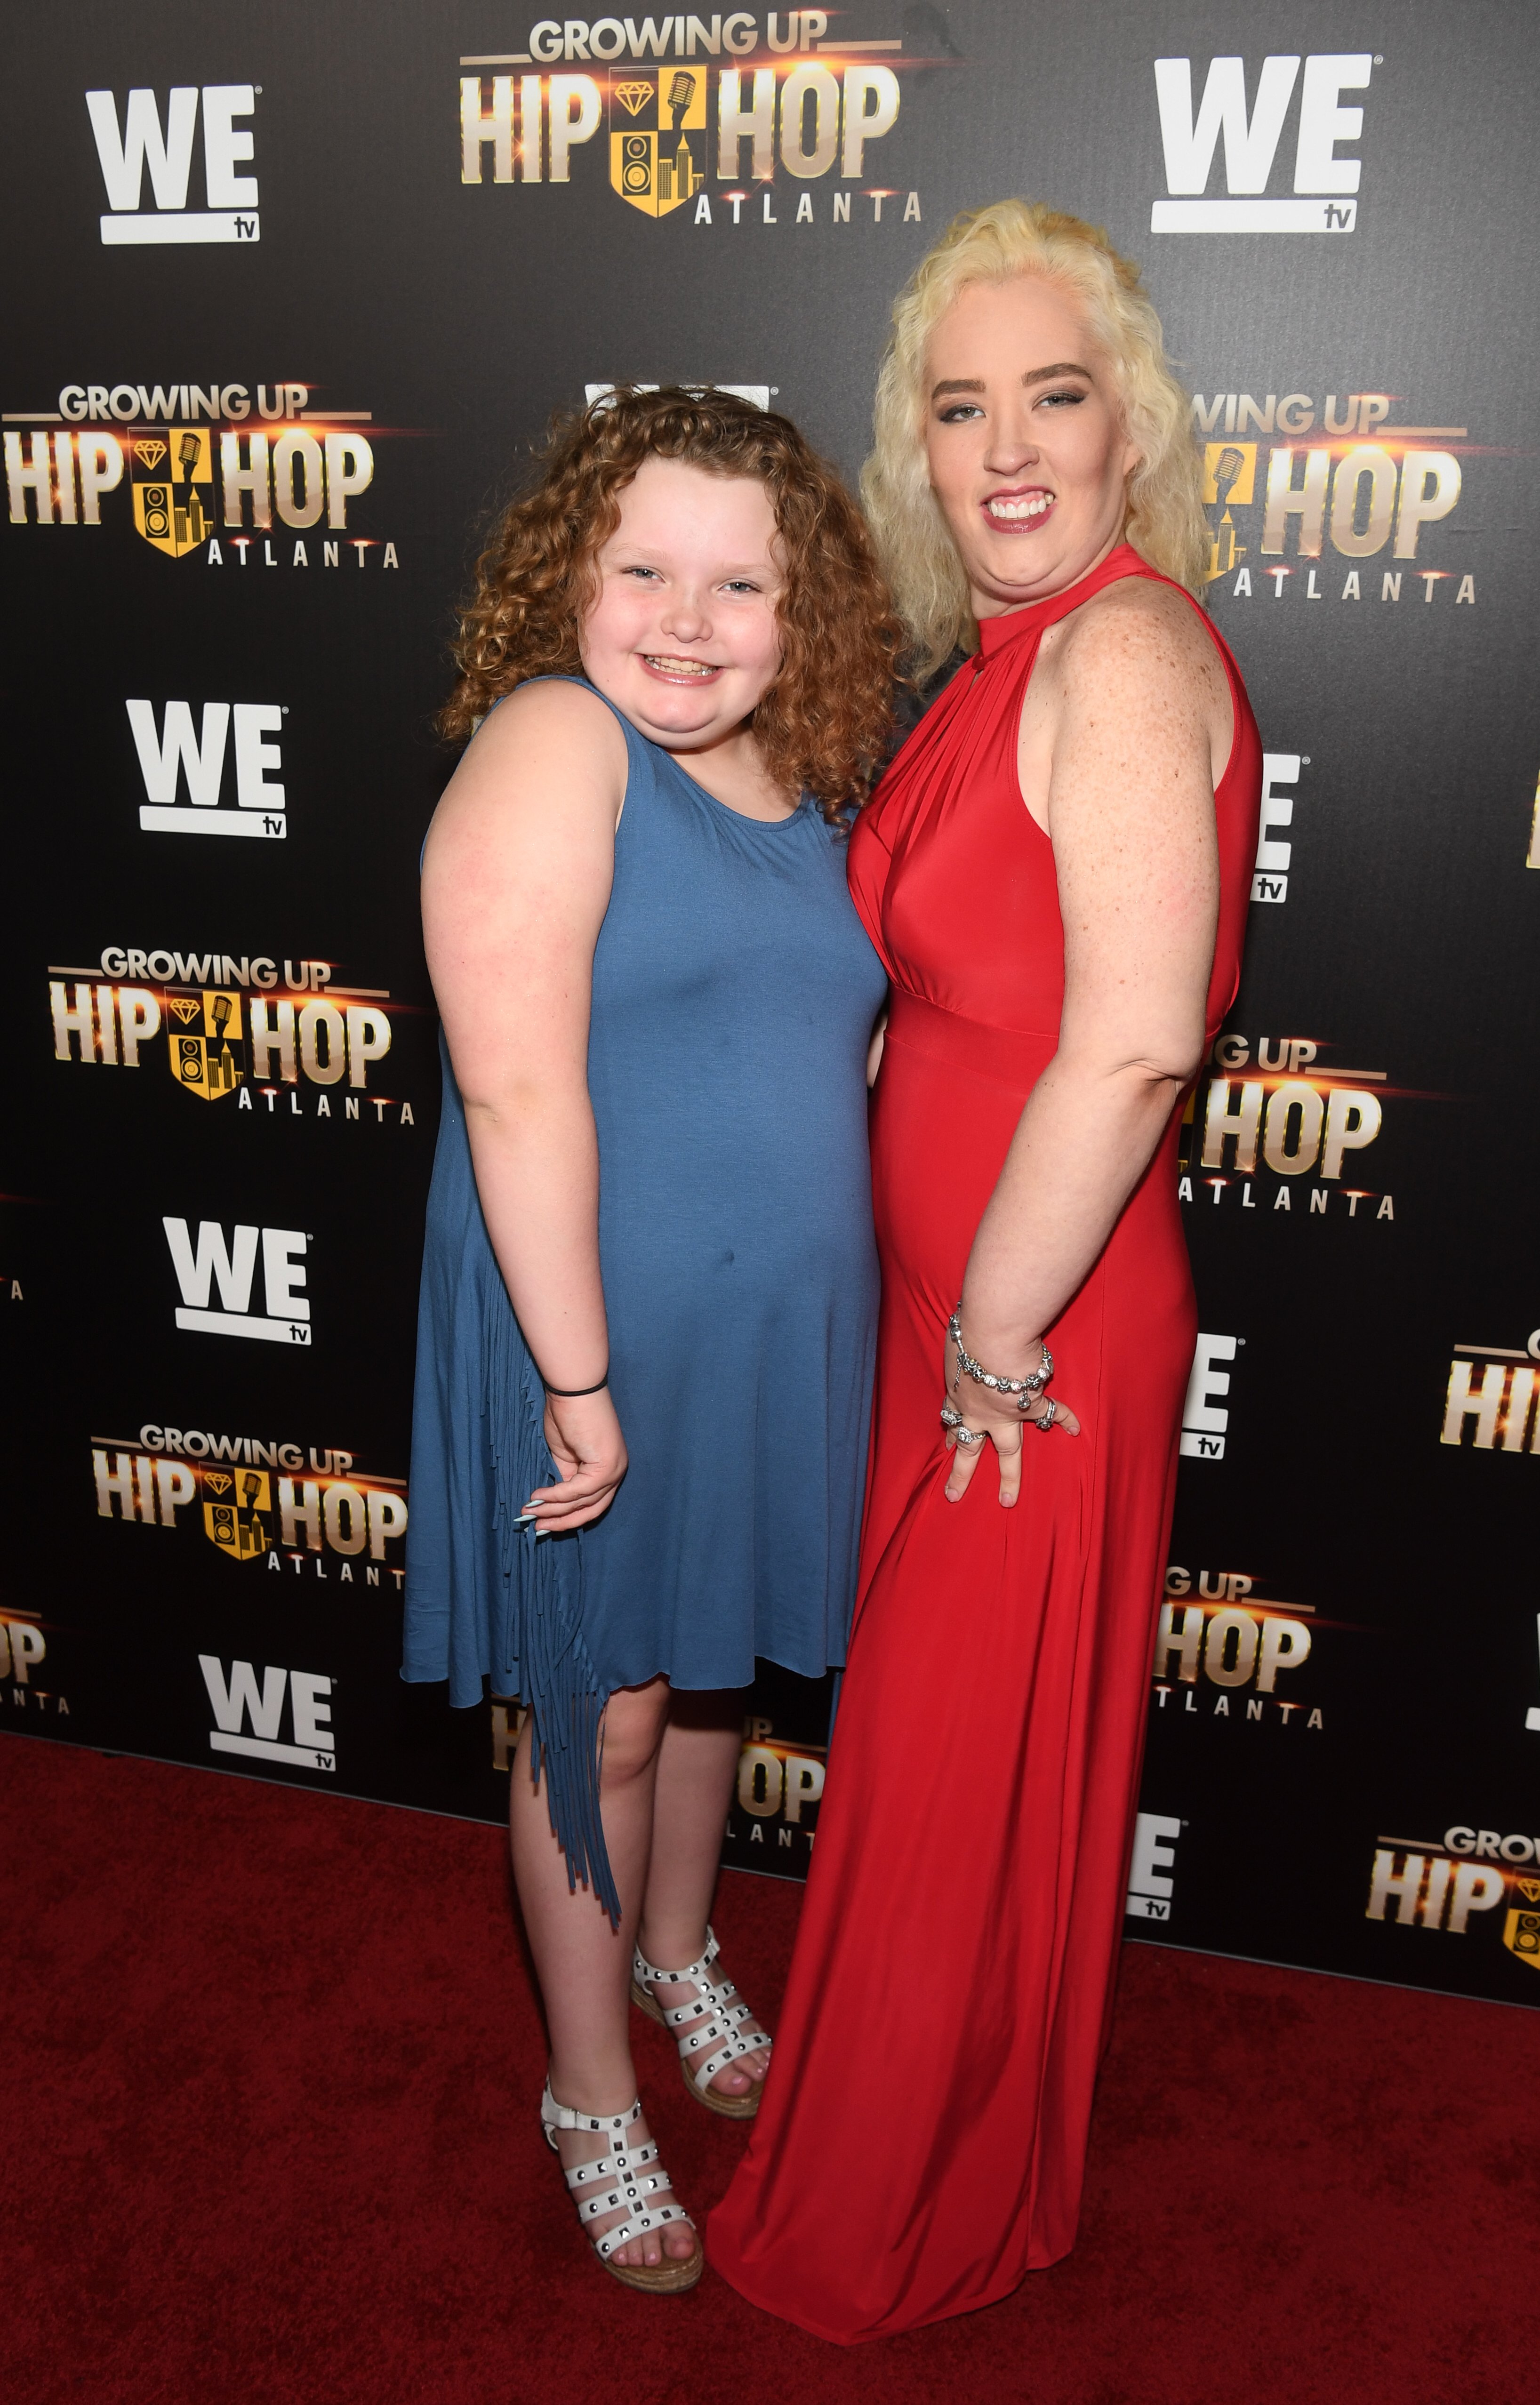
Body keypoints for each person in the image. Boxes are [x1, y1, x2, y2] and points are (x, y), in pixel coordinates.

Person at [707, 202, 1262, 2340]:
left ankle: (901, 2206)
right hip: (965, 1317)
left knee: (953, 1780)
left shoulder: (1122, 648)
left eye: (1057, 392)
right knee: (955, 1775)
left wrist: (995, 1340)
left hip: (1033, 1336)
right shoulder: (1007, 659)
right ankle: (961, 2149)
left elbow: (1131, 1037)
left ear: (1134, 427)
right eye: (963, 406)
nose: (1010, 445)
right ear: (917, 452)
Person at [404, 387, 896, 2293]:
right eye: (644, 572)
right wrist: (583, 1389)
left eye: (739, 584)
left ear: (802, 608)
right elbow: (519, 1094)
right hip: (588, 1331)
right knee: (602, 1715)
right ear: (571, 575)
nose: (687, 623)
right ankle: (590, 2089)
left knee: (708, 1684)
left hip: (770, 1329)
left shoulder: (807, 776)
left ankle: (682, 1951)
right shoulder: (556, 739)